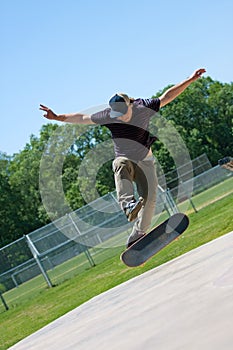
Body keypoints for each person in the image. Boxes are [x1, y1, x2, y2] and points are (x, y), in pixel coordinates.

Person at [40, 68, 206, 248]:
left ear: (130, 105)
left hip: (146, 161)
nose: (120, 117)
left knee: (150, 198)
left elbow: (167, 96)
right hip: (126, 159)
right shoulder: (108, 116)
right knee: (119, 163)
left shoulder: (143, 107)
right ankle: (128, 205)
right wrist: (58, 117)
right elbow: (82, 117)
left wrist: (189, 80)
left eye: (123, 113)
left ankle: (138, 233)